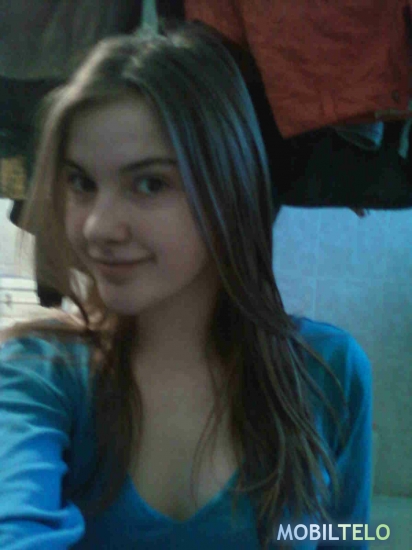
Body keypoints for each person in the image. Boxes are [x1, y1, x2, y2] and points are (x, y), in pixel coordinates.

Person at [0, 21, 372, 549]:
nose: (98, 227)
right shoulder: (38, 372)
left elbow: (344, 536)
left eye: (150, 183)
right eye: (81, 182)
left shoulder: (330, 375)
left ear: (228, 189)